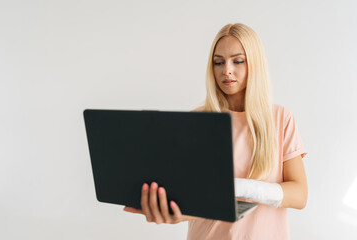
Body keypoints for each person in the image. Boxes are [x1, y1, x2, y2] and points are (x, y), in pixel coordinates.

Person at [123, 23, 308, 240]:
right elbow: (192, 202)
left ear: (255, 64)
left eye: (238, 61)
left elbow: (300, 195)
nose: (226, 70)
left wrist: (237, 188)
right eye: (218, 62)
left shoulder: (280, 118)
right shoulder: (197, 120)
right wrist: (170, 213)